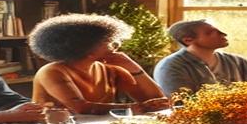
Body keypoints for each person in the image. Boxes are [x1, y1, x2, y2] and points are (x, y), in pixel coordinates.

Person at [28, 14, 169, 114]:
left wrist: (134, 68)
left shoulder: (111, 70)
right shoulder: (52, 72)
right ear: (85, 46)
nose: (116, 45)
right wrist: (133, 107)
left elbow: (157, 100)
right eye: (108, 41)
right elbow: (80, 108)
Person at [152, 20, 247, 96]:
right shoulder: (170, 67)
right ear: (188, 40)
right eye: (211, 32)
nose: (223, 34)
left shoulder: (241, 63)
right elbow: (180, 105)